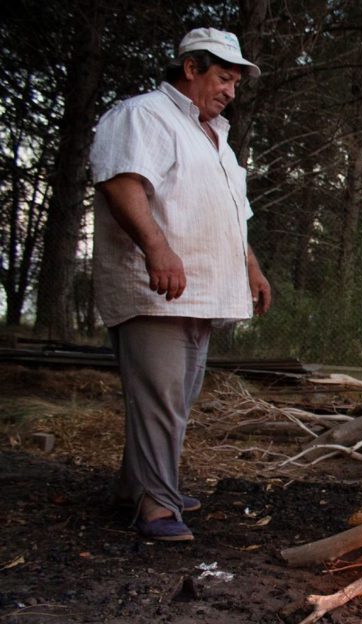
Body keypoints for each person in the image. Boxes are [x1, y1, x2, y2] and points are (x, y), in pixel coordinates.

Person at [90, 28, 272, 542]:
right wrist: (157, 248)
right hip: (157, 289)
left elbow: (234, 216)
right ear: (191, 68)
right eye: (223, 78)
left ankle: (140, 486)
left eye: (236, 83)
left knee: (174, 398)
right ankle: (155, 505)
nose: (230, 91)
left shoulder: (216, 139)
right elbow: (121, 183)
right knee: (161, 398)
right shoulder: (144, 115)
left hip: (200, 290)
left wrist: (251, 268)